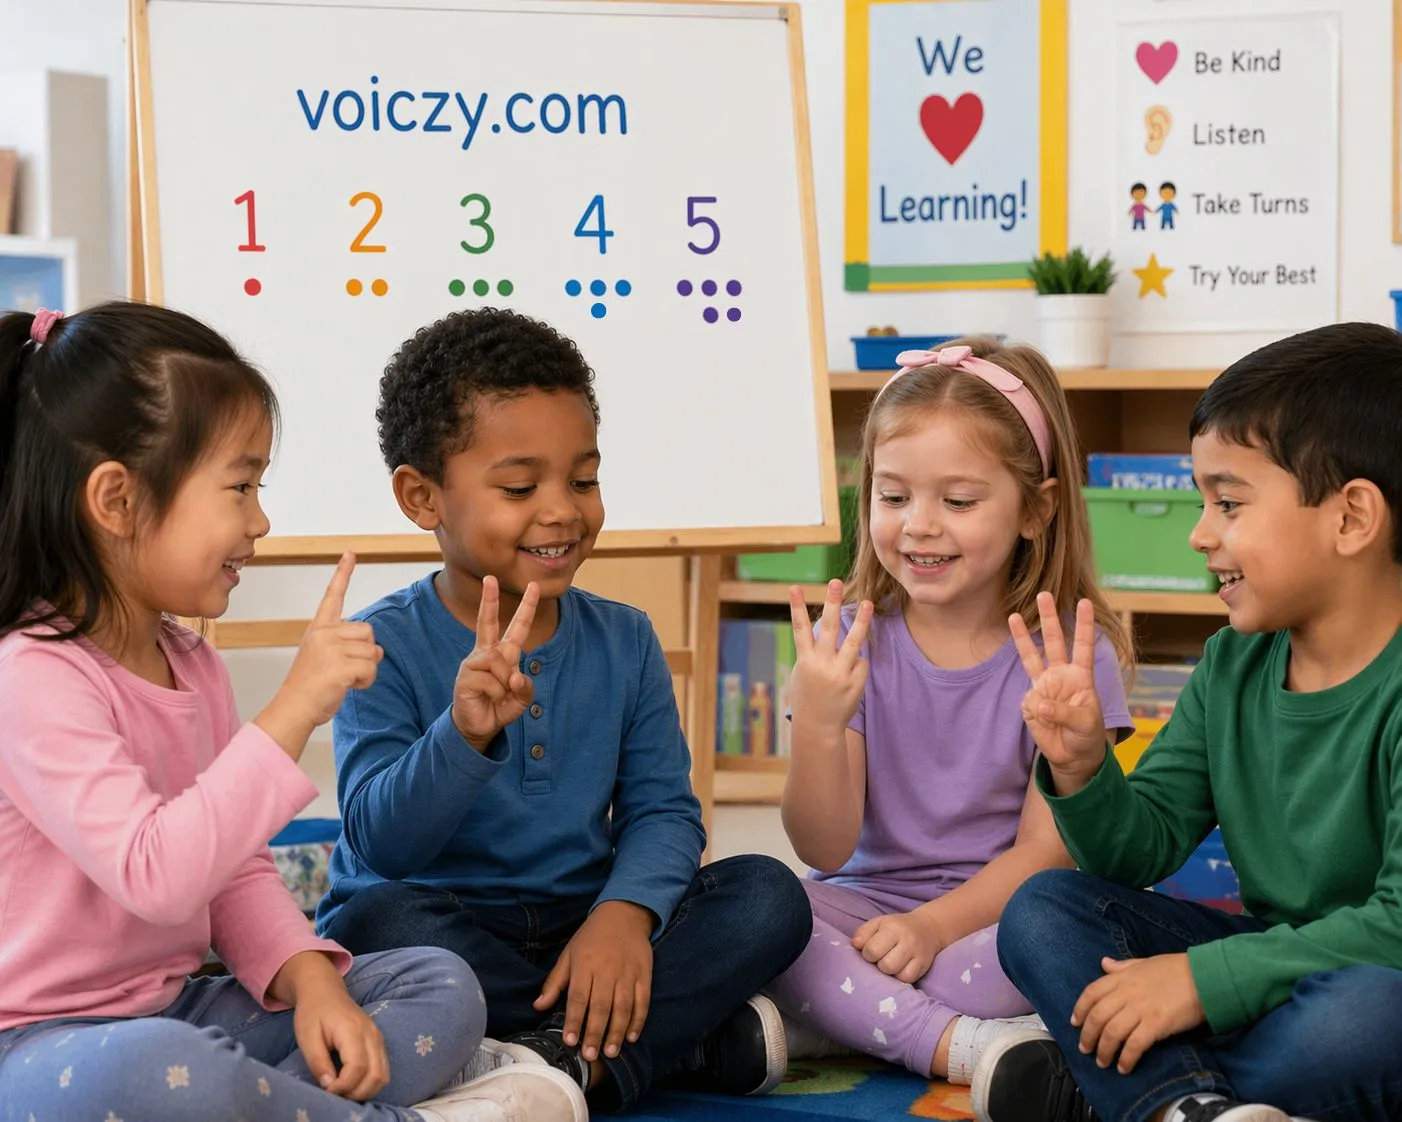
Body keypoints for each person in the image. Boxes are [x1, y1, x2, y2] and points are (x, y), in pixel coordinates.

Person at [0, 303, 585, 1121]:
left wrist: (314, 984)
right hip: (36, 1045)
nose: (260, 520)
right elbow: (157, 876)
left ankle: (284, 1104)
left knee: (438, 984)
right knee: (159, 1070)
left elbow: (232, 872)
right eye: (240, 487)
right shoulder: (31, 675)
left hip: (176, 1011)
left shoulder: (190, 662)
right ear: (117, 501)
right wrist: (293, 709)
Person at [315, 306, 813, 1113]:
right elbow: (382, 843)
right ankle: (642, 1045)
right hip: (446, 928)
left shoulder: (627, 638)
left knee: (769, 895)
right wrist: (462, 735)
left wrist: (622, 917)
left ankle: (545, 1055)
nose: (563, 511)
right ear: (421, 496)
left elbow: (664, 813)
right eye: (520, 487)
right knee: (374, 922)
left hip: (586, 920)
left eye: (583, 480)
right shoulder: (380, 644)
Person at [976, 322, 1402, 1122]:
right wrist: (1081, 768)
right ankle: (1187, 1104)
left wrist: (1202, 985)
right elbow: (1139, 850)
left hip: (1364, 981)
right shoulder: (1231, 666)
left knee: (1370, 1021)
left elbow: (1397, 926)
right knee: (1043, 909)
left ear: (1351, 518)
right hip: (1263, 974)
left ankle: (1119, 1088)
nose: (1200, 534)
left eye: (1229, 503)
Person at [766, 338, 1133, 1085]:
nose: (919, 525)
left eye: (958, 501)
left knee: (1062, 940)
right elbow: (824, 848)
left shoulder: (1071, 655)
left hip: (997, 918)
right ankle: (956, 1044)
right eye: (893, 497)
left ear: (1037, 509)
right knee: (758, 915)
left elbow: (1048, 852)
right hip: (861, 909)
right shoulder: (848, 643)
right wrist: (820, 725)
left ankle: (846, 1019)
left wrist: (930, 928)